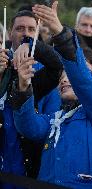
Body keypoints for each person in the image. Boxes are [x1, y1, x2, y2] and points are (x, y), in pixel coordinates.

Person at [12, 2, 92, 188]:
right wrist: (23, 87)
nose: (65, 80)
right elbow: (29, 127)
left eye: (70, 75)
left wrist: (60, 34)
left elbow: (83, 80)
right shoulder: (56, 118)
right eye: (63, 76)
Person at [0, 8, 63, 186]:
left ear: (37, 34)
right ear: (10, 33)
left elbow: (50, 123)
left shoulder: (44, 73)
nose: (25, 33)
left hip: (28, 163)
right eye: (20, 29)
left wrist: (29, 44)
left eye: (31, 30)